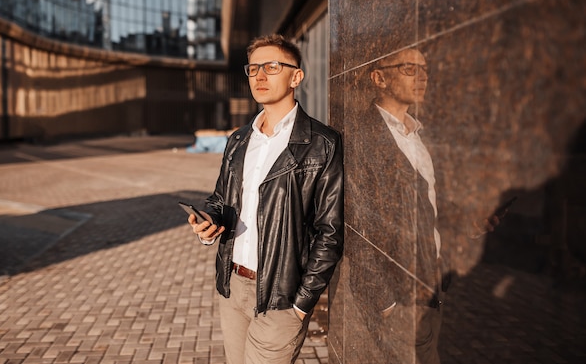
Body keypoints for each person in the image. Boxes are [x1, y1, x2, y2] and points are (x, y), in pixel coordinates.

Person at [185, 34, 344, 364]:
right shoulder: (239, 140)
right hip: (233, 286)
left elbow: (329, 231)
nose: (259, 75)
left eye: (272, 67)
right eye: (253, 68)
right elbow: (220, 199)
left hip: (282, 295)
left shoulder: (321, 143)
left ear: (296, 76)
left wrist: (302, 304)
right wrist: (209, 222)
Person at [346, 48, 499, 363]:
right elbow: (353, 226)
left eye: (425, 69)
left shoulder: (418, 136)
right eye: (409, 68)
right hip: (397, 297)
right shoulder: (361, 138)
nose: (423, 76)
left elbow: (424, 204)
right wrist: (385, 303)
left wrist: (467, 222)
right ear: (379, 78)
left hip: (430, 283)